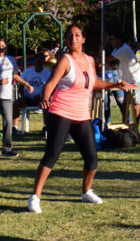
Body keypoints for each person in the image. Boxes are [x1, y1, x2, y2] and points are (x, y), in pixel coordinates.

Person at [27, 24, 132, 214]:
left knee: (92, 160)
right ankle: (35, 197)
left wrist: (114, 84)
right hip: (60, 112)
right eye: (70, 36)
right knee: (51, 156)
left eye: (77, 35)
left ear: (83, 39)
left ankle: (86, 192)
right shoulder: (65, 61)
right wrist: (44, 98)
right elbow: (51, 83)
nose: (73, 38)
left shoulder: (90, 60)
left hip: (82, 115)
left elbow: (93, 83)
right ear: (67, 40)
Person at [106, 32, 140, 132]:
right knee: (125, 105)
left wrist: (100, 59)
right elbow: (114, 64)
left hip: (137, 81)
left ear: (119, 40)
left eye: (112, 40)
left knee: (135, 105)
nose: (111, 42)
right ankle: (126, 126)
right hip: (126, 82)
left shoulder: (124, 49)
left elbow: (109, 59)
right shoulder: (117, 50)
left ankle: (136, 128)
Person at [16, 50, 53, 130]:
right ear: (34, 60)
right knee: (15, 104)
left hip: (41, 99)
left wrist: (43, 97)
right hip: (28, 98)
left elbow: (51, 89)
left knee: (46, 104)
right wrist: (23, 96)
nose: (39, 61)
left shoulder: (48, 74)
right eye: (37, 59)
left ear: (44, 61)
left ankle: (46, 127)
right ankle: (15, 127)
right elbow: (21, 86)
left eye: (41, 59)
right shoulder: (27, 72)